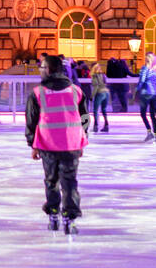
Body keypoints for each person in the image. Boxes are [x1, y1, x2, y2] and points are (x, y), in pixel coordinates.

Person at [25, 54, 88, 235]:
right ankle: (70, 218)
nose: (40, 71)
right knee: (69, 181)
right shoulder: (76, 91)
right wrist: (81, 139)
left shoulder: (38, 92)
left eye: (41, 68)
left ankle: (53, 214)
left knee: (51, 180)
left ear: (49, 70)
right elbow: (84, 117)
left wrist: (32, 144)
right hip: (71, 144)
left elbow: (31, 120)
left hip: (48, 144)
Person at [136, 52, 156, 142]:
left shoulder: (144, 68)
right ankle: (155, 134)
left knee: (143, 114)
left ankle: (149, 132)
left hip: (145, 93)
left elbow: (142, 80)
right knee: (152, 115)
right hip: (154, 93)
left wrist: (137, 90)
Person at [89, 62, 109, 133]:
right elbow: (105, 83)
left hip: (100, 93)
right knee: (104, 109)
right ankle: (106, 125)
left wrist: (92, 96)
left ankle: (96, 125)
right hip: (106, 93)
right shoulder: (103, 75)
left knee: (95, 110)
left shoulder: (94, 76)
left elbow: (96, 87)